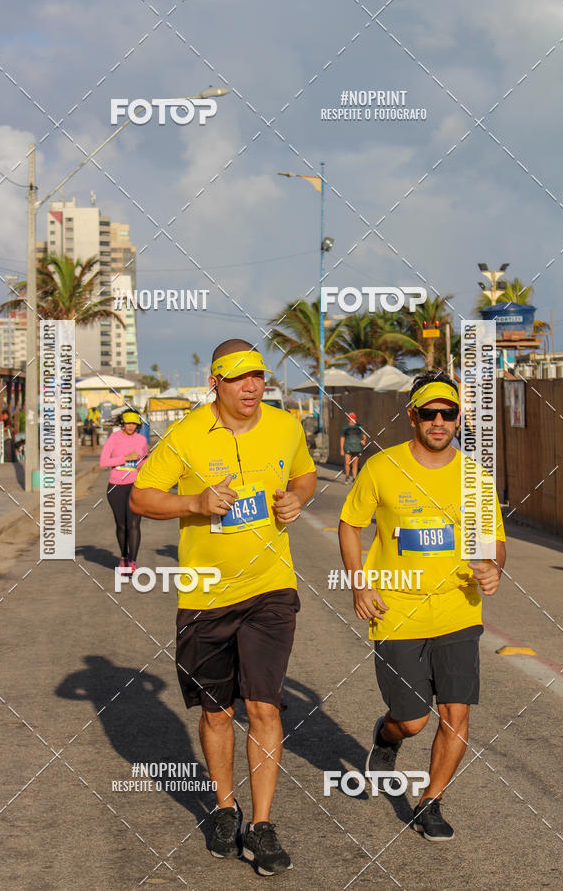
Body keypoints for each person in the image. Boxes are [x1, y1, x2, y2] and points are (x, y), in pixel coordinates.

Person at [130, 339, 316, 876]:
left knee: (264, 705)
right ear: (216, 383)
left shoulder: (285, 426)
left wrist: (297, 497)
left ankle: (261, 825)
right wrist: (195, 502)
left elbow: (302, 472)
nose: (253, 386)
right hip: (206, 593)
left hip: (270, 588)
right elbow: (142, 495)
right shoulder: (186, 434)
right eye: (239, 378)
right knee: (217, 711)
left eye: (257, 376)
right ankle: (224, 808)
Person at [338, 371, 506, 841]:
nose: (438, 421)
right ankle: (386, 737)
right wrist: (359, 584)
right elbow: (350, 525)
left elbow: (493, 540)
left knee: (456, 714)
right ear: (412, 415)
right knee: (411, 719)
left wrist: (493, 566)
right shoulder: (382, 468)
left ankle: (430, 801)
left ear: (458, 418)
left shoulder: (473, 476)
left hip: (458, 611)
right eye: (429, 412)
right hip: (396, 612)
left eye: (447, 413)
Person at [99, 410, 148, 572]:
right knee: (122, 525)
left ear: (138, 424)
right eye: (127, 423)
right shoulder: (114, 438)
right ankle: (124, 557)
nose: (130, 426)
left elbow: (142, 462)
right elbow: (103, 461)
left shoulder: (142, 440)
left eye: (134, 423)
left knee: (134, 524)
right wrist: (125, 458)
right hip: (116, 487)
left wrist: (145, 464)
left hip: (136, 486)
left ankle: (133, 562)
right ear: (123, 423)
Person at [340, 412, 367, 483]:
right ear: (348, 419)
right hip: (347, 447)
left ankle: (354, 478)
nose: (352, 419)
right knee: (347, 462)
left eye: (353, 418)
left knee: (355, 464)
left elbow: (364, 436)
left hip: (357, 448)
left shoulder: (359, 427)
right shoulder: (345, 427)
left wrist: (363, 441)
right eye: (350, 418)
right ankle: (347, 476)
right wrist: (342, 449)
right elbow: (342, 438)